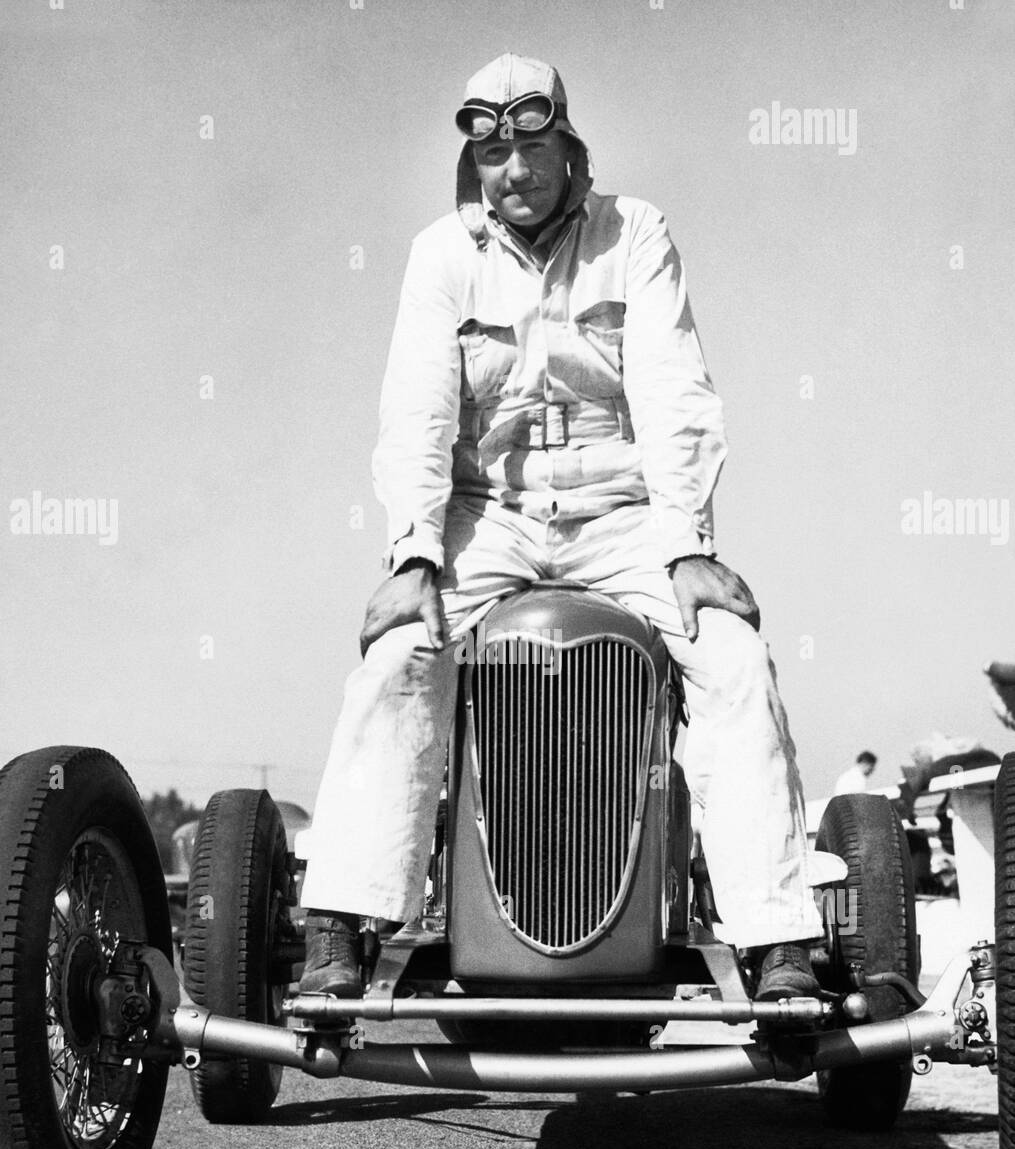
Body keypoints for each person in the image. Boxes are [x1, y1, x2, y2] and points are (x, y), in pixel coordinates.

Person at [299, 53, 823, 1002]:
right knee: (396, 658)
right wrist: (413, 550)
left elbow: (674, 393)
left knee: (735, 655)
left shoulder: (636, 234)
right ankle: (342, 925)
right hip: (482, 519)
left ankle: (776, 942)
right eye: (493, 152)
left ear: (567, 145)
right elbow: (415, 412)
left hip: (621, 518)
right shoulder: (440, 255)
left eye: (531, 146)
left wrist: (689, 547)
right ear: (476, 163)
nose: (515, 170)